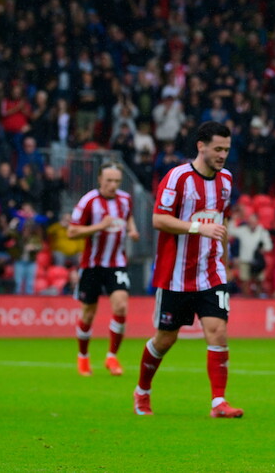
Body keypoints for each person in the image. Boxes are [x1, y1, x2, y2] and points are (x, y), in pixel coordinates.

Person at [133, 121, 244, 418]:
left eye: (227, 150)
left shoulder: (226, 180)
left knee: (217, 331)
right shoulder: (177, 178)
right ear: (201, 146)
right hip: (176, 274)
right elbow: (159, 219)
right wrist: (198, 228)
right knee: (166, 339)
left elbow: (223, 220)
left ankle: (218, 402)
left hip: (212, 271)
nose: (222, 155)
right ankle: (142, 391)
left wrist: (225, 258)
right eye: (218, 149)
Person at [67, 163, 140, 376]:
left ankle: (111, 357)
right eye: (108, 180)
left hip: (116, 263)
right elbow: (72, 232)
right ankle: (83, 357)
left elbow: (128, 218)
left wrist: (132, 230)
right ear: (99, 179)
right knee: (88, 313)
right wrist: (100, 226)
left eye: (117, 181)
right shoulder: (88, 201)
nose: (113, 185)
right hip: (92, 265)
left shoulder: (125, 200)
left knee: (121, 307)